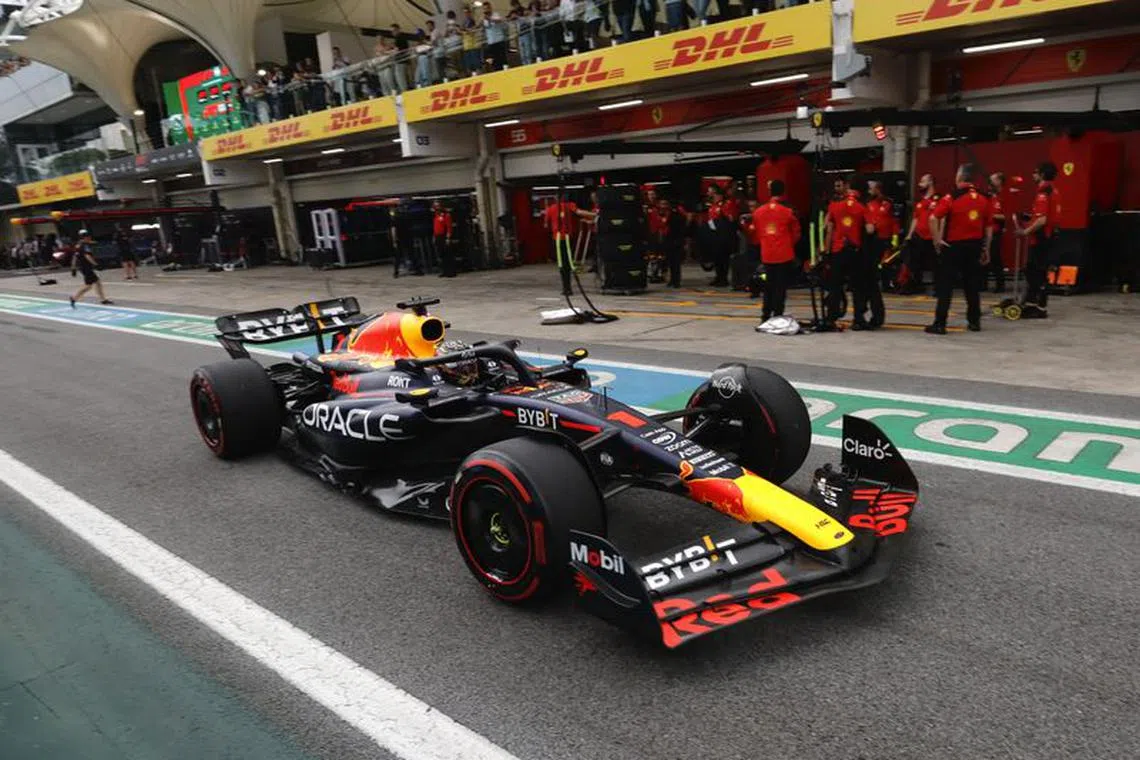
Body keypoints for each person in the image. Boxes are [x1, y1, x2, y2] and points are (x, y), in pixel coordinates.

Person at [926, 163, 992, 335]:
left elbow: (933, 218)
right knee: (972, 285)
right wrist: (987, 248)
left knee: (945, 286)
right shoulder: (985, 198)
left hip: (953, 247)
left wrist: (937, 240)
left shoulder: (952, 197)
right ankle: (974, 322)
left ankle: (940, 324)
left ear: (960, 177)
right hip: (975, 246)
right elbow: (989, 227)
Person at [747, 180, 801, 321]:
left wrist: (765, 242)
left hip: (767, 253)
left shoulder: (758, 212)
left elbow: (755, 233)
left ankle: (765, 314)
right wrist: (788, 244)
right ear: (783, 191)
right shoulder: (788, 211)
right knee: (780, 287)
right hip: (784, 254)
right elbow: (796, 233)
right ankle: (778, 314)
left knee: (768, 285)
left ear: (770, 191)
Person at [1016, 161, 1062, 318]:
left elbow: (1042, 220)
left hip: (1042, 239)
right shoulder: (1053, 190)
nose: (1033, 175)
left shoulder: (1043, 192)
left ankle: (1037, 307)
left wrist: (1025, 231)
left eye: (1035, 172)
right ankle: (1034, 304)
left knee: (1035, 272)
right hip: (1048, 237)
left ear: (1042, 174)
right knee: (1037, 271)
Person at [823, 178, 867, 327]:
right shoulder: (861, 207)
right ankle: (858, 319)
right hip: (855, 250)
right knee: (857, 287)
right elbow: (869, 229)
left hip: (838, 250)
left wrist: (825, 250)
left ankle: (831, 318)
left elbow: (828, 228)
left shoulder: (834, 206)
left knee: (835, 286)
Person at [858, 180, 894, 329]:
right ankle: (868, 312)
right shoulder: (867, 203)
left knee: (870, 281)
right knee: (869, 282)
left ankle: (870, 314)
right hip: (869, 244)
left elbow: (875, 224)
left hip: (876, 244)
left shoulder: (883, 204)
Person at [903, 173, 939, 294]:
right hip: (919, 236)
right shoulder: (920, 202)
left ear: (930, 182)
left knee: (935, 264)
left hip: (932, 236)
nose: (920, 184)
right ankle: (917, 285)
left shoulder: (938, 199)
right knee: (915, 262)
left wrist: (938, 236)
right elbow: (915, 218)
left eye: (922, 182)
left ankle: (937, 288)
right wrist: (909, 234)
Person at [649, 197, 687, 288]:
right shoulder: (659, 214)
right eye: (661, 204)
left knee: (676, 262)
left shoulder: (676, 215)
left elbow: (680, 228)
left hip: (675, 240)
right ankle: (671, 280)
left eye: (665, 204)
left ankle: (676, 281)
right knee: (669, 261)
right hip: (666, 241)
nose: (663, 206)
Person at [705, 184, 736, 287]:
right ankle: (718, 277)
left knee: (723, 258)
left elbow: (730, 219)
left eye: (710, 192)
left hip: (723, 236)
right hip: (714, 235)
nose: (708, 193)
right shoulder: (712, 205)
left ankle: (723, 279)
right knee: (716, 258)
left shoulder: (725, 205)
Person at [69, 232, 112, 307]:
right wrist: (96, 265)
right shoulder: (85, 246)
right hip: (86, 267)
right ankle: (74, 298)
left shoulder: (78, 246)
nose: (90, 239)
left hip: (82, 267)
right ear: (85, 238)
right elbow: (87, 256)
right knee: (88, 286)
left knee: (97, 282)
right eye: (89, 237)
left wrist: (73, 268)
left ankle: (103, 299)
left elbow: (74, 257)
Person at [986, 171, 1008, 293]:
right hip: (986, 231)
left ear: (999, 181)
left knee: (995, 258)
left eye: (993, 180)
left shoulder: (1004, 196)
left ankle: (1000, 284)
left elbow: (1006, 216)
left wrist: (992, 215)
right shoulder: (990, 196)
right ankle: (982, 284)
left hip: (996, 232)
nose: (990, 182)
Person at [432, 201, 456, 278]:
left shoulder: (446, 215)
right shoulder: (435, 216)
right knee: (441, 254)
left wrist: (448, 237)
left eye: (438, 206)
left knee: (448, 254)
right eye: (435, 206)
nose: (436, 208)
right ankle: (444, 270)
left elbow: (449, 227)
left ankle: (451, 271)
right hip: (438, 236)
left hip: (444, 236)